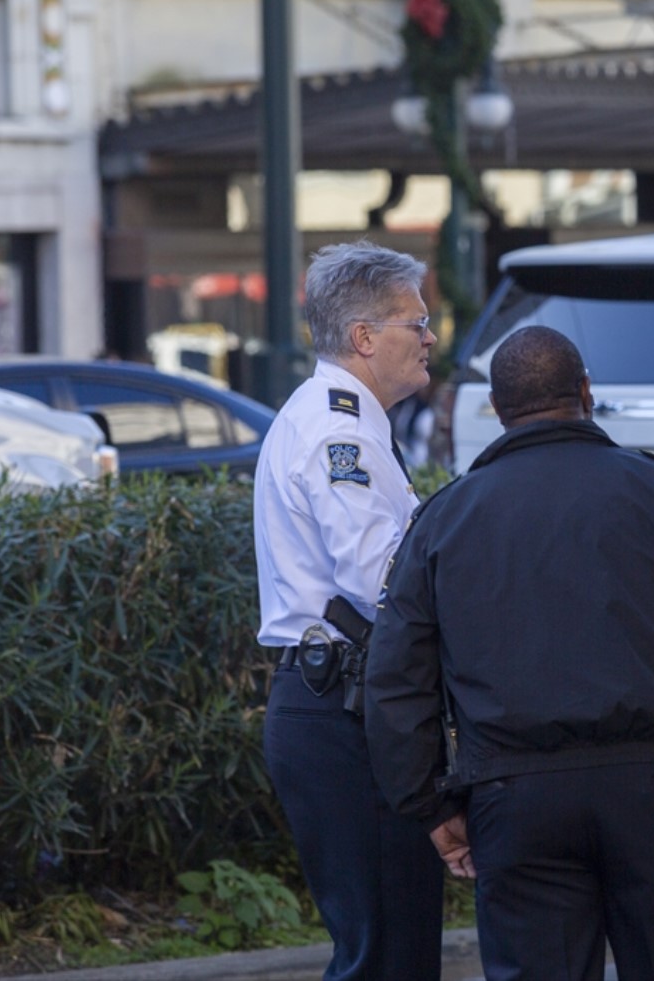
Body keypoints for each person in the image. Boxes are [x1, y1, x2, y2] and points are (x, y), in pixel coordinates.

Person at [365, 326, 654, 981]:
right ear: (587, 392)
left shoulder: (446, 518)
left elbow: (397, 677)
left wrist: (431, 802)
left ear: (499, 409)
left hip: (514, 796)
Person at [254, 240, 443, 981]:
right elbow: (383, 578)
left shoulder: (346, 420)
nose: (429, 336)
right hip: (343, 707)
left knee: (394, 941)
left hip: (346, 700)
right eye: (416, 321)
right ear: (365, 337)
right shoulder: (340, 431)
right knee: (383, 951)